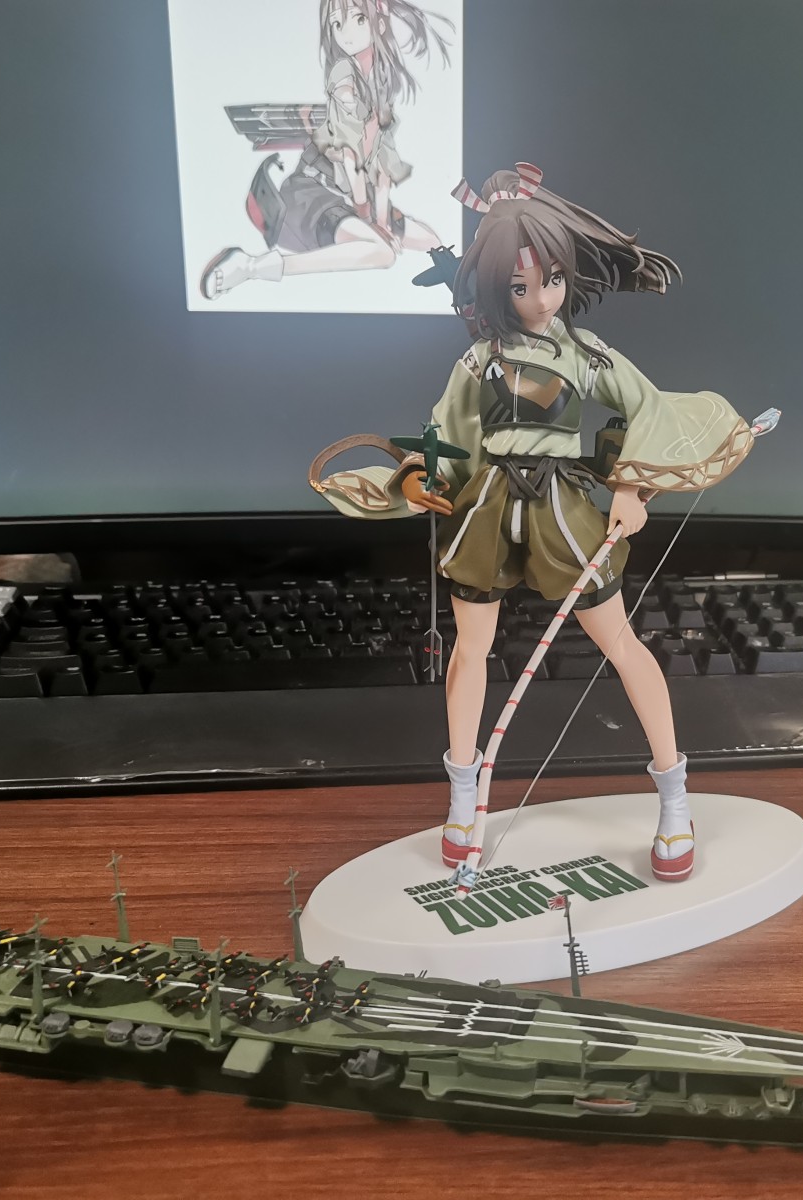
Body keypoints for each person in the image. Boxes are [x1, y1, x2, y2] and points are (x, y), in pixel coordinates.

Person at [312, 165, 757, 881]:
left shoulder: (586, 354)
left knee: (620, 643)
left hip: (562, 510)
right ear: (496, 289)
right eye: (520, 287)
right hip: (488, 508)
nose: (541, 298)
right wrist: (424, 477)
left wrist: (631, 487)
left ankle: (675, 798)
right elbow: (447, 436)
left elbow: (647, 405)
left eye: (551, 280)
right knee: (469, 650)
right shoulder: (477, 360)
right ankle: (464, 799)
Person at [200, 0, 451, 297]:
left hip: (351, 201)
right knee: (382, 252)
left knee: (431, 240)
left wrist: (382, 221)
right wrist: (369, 220)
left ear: (380, 24)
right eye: (337, 24)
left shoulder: (381, 88)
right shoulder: (344, 79)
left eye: (359, 20)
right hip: (310, 197)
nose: (347, 34)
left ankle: (465, 290)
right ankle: (251, 266)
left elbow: (383, 170)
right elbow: (350, 158)